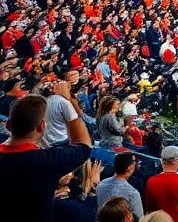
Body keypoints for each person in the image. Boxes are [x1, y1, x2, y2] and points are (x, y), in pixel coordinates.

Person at [0, 87, 92, 222]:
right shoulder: (48, 161)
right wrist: (68, 103)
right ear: (42, 126)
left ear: (8, 124)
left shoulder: (47, 160)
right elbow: (84, 145)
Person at [98, 152, 145, 219]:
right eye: (135, 161)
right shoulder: (132, 193)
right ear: (130, 167)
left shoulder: (101, 184)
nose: (136, 164)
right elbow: (140, 218)